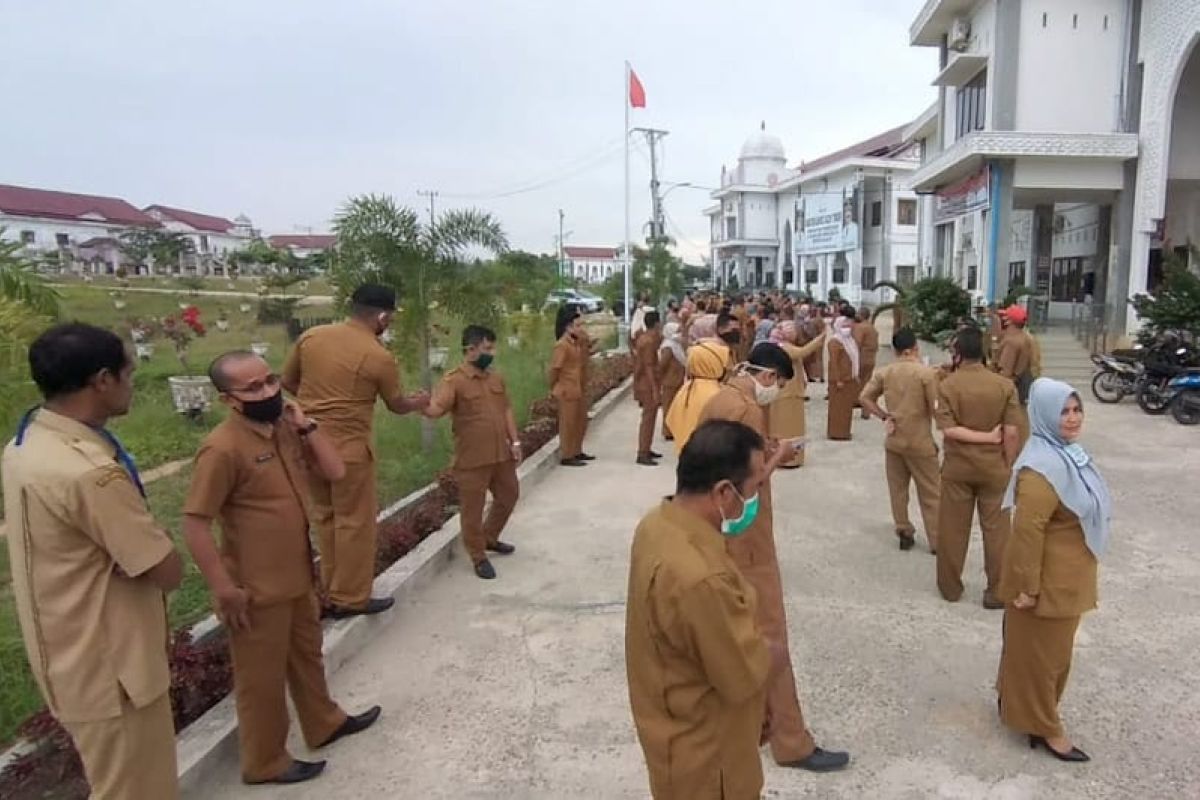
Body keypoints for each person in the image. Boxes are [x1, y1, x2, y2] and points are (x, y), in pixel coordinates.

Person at [3, 323, 184, 800]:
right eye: (129, 372)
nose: (132, 383)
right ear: (103, 380)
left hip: (69, 655)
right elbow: (166, 570)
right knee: (140, 790)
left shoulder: (27, 444)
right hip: (115, 668)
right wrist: (155, 544)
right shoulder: (90, 474)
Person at [184, 352, 381, 785]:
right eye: (253, 388)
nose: (269, 391)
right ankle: (264, 760)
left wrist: (306, 425)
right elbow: (194, 523)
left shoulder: (283, 432)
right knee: (262, 681)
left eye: (271, 380)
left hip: (296, 575)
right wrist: (223, 588)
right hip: (254, 588)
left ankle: (323, 721)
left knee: (307, 658)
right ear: (227, 400)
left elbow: (334, 470)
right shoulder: (222, 448)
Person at [698, 343, 850, 773]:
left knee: (738, 637)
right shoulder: (746, 409)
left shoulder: (720, 398)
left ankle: (755, 723)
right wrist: (778, 456)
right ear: (768, 378)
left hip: (723, 531)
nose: (775, 392)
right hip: (746, 537)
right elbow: (743, 485)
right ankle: (791, 739)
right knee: (771, 637)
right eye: (778, 385)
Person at [626, 420, 776, 799]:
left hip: (672, 733)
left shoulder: (658, 524)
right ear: (724, 492)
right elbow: (740, 675)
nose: (758, 493)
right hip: (711, 761)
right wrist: (774, 656)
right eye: (756, 485)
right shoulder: (700, 578)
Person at [281, 283, 429, 619]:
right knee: (354, 522)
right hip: (348, 449)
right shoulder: (378, 356)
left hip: (306, 443)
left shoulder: (312, 337)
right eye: (389, 317)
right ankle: (350, 597)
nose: (388, 323)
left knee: (325, 516)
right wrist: (418, 402)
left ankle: (331, 588)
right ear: (381, 315)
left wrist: (315, 405)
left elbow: (288, 382)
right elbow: (396, 404)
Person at [995, 379, 1110, 763]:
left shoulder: (1065, 454)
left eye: (1077, 409)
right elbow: (1027, 532)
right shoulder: (1041, 469)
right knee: (1047, 660)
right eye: (1064, 411)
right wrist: (1027, 587)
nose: (1073, 418)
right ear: (1044, 414)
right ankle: (1046, 727)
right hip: (1047, 583)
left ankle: (1014, 705)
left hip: (1067, 575)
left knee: (1031, 652)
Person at [423, 326, 522, 579]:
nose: (492, 353)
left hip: (501, 453)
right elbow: (436, 409)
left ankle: (489, 537)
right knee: (472, 509)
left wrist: (515, 442)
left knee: (509, 495)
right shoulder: (454, 380)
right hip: (473, 458)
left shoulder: (495, 378)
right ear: (470, 350)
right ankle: (478, 556)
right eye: (487, 348)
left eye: (493, 348)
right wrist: (418, 404)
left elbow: (506, 410)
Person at [935, 327, 1023, 608]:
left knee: (952, 528)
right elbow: (1011, 432)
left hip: (958, 467)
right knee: (998, 532)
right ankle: (997, 591)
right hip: (994, 466)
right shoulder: (1004, 386)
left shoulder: (947, 385)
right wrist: (1008, 463)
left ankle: (950, 587)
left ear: (957, 353)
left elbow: (948, 431)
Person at [859, 328, 941, 553]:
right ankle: (936, 540)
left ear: (895, 350)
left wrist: (884, 415)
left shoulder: (885, 372)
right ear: (914, 348)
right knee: (931, 493)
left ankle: (903, 529)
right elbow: (936, 409)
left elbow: (864, 398)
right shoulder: (926, 374)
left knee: (898, 490)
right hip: (920, 440)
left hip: (894, 438)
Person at [767, 321, 827, 468]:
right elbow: (802, 352)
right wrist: (821, 338)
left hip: (789, 393)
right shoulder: (783, 347)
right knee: (789, 428)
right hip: (788, 393)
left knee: (789, 426)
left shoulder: (780, 345)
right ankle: (788, 458)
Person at [664, 341, 730, 454]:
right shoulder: (716, 393)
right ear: (713, 363)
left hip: (686, 451)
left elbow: (672, 419)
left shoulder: (687, 388)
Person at [550, 304, 590, 466]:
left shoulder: (575, 343)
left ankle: (577, 450)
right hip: (566, 388)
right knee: (568, 423)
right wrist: (554, 386)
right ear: (568, 326)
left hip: (577, 387)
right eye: (577, 325)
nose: (580, 328)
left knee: (580, 420)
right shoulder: (562, 345)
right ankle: (567, 454)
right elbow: (555, 368)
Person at [994, 305, 1036, 447]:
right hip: (1022, 386)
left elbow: (1005, 373)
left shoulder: (1011, 342)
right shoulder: (1025, 337)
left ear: (1009, 321)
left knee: (1014, 426)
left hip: (1013, 388)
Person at [633, 311, 664, 465]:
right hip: (647, 383)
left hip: (646, 382)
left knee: (650, 418)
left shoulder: (646, 338)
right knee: (648, 418)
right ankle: (642, 452)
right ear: (657, 323)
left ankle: (646, 447)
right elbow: (648, 367)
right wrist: (655, 389)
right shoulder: (648, 342)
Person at [825, 312, 860, 441]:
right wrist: (838, 379)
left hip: (848, 379)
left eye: (849, 325)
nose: (848, 328)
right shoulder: (835, 342)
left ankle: (845, 431)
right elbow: (834, 363)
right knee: (837, 408)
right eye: (844, 326)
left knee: (846, 409)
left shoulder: (849, 341)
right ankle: (837, 432)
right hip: (839, 381)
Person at [657, 321, 687, 440]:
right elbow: (662, 365)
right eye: (677, 331)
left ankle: (674, 429)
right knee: (668, 407)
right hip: (670, 381)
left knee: (676, 407)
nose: (679, 334)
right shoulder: (668, 347)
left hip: (677, 380)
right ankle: (667, 431)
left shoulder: (676, 345)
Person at [854, 307, 880, 419]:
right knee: (866, 382)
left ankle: (860, 404)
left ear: (861, 315)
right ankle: (866, 409)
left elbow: (857, 343)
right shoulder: (873, 329)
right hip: (871, 358)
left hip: (861, 358)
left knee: (857, 381)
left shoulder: (861, 328)